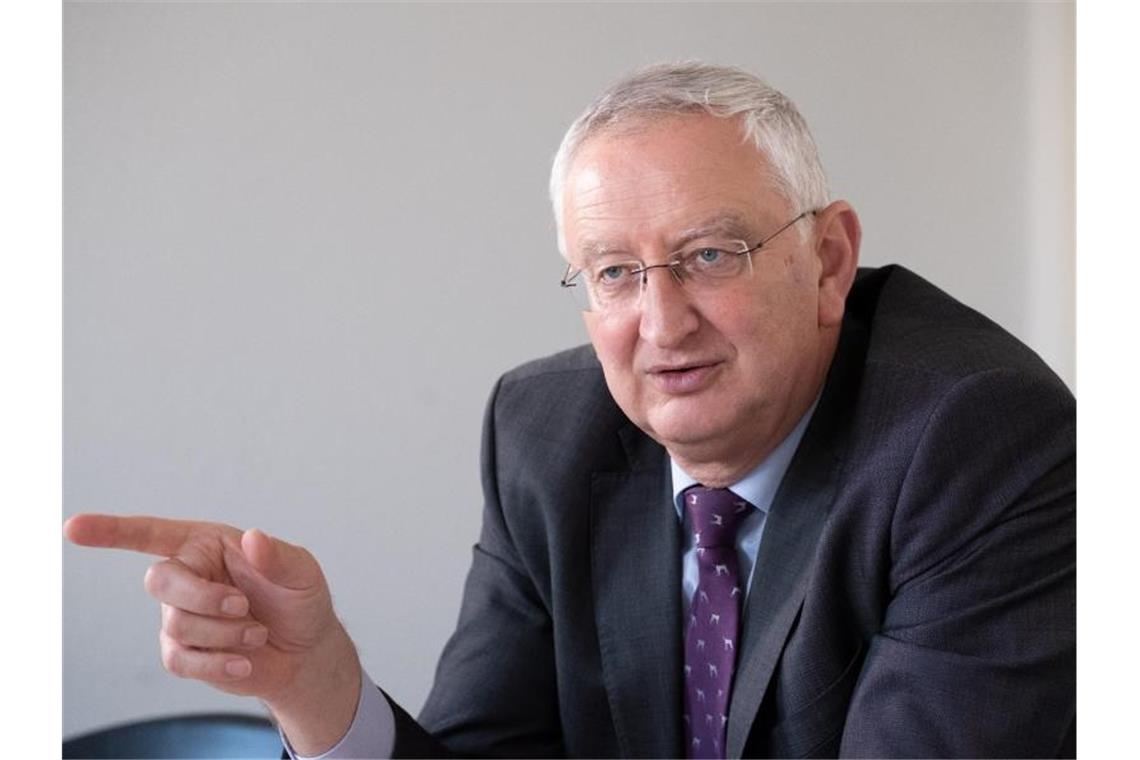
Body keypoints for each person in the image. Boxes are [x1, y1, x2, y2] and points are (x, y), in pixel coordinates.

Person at [65, 62, 1075, 758]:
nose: (661, 320)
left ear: (831, 259)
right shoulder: (544, 436)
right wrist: (319, 684)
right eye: (614, 272)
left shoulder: (979, 439)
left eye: (711, 255)